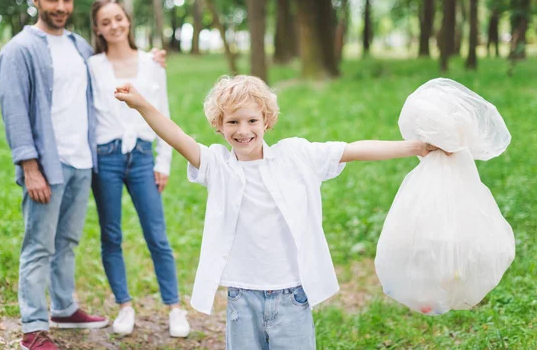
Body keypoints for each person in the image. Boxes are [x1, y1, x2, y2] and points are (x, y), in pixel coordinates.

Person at [113, 75, 444, 349]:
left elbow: (353, 150)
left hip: (292, 295)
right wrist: (141, 103)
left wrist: (416, 147)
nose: (243, 130)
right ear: (219, 125)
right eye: (233, 122)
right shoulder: (217, 165)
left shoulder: (296, 156)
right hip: (243, 296)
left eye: (252, 120)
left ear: (267, 121)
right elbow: (176, 137)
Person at [0, 0, 165, 350]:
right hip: (46, 165)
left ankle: (64, 307)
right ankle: (33, 328)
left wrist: (151, 60)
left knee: (68, 240)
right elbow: (14, 112)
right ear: (35, 0)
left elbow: (114, 67)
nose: (60, 6)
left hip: (82, 162)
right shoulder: (19, 50)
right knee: (39, 244)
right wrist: (29, 166)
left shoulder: (78, 46)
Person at [87, 0, 190, 337]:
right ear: (98, 30)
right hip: (106, 158)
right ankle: (124, 306)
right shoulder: (93, 65)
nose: (114, 26)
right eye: (106, 22)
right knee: (111, 235)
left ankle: (174, 308)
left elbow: (162, 112)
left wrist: (164, 161)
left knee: (156, 234)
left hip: (143, 156)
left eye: (118, 18)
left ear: (127, 20)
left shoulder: (152, 64)